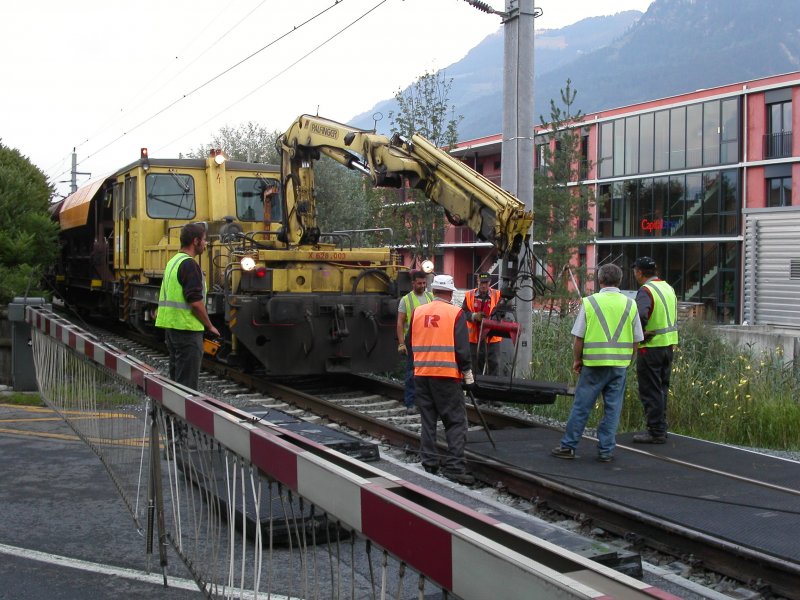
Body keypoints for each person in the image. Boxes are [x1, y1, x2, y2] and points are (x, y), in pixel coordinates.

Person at [551, 264, 643, 462]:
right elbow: (636, 340)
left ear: (600, 280)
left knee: (582, 406)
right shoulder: (630, 304)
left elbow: (579, 338)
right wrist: (627, 361)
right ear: (619, 280)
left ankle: (568, 447)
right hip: (619, 366)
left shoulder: (590, 302)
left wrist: (577, 360)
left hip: (593, 365)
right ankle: (606, 451)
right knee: (613, 409)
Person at [406, 274, 475, 485]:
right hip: (446, 376)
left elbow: (410, 345)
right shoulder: (455, 313)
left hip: (422, 375)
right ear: (451, 292)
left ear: (433, 291)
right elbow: (462, 349)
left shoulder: (419, 311)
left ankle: (429, 462)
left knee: (428, 420)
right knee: (455, 422)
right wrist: (467, 372)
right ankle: (454, 467)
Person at [155, 222, 221, 391]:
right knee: (187, 387)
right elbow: (195, 302)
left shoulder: (173, 262)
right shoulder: (190, 265)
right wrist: (210, 326)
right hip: (187, 331)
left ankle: (173, 415)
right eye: (204, 240)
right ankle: (181, 417)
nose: (206, 244)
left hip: (172, 329)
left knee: (176, 380)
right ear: (195, 241)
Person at [631, 256, 679, 444]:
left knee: (650, 390)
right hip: (668, 345)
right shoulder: (668, 287)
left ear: (640, 272)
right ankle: (661, 427)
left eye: (635, 271)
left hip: (650, 348)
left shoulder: (646, 290)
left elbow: (640, 314)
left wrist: (639, 334)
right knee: (661, 389)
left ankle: (656, 431)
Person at [396, 270, 434, 414]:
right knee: (412, 373)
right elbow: (400, 323)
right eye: (419, 283)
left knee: (428, 373)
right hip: (413, 341)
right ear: (413, 283)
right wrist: (401, 343)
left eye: (424, 283)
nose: (422, 286)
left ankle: (425, 402)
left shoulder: (431, 297)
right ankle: (410, 403)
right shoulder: (406, 300)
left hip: (429, 341)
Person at [462, 272, 502, 376]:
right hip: (474, 337)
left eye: (486, 283)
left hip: (492, 337)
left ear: (490, 282)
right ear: (477, 282)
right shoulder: (469, 295)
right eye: (481, 282)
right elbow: (463, 313)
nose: (483, 285)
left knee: (494, 364)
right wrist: (474, 316)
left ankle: (493, 388)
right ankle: (475, 389)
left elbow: (502, 313)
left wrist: (490, 320)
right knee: (474, 365)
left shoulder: (497, 295)